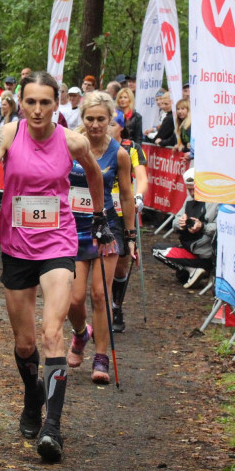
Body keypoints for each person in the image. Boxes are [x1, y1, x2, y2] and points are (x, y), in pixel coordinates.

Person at [0, 71, 110, 463]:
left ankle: (53, 428)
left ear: (56, 105)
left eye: (44, 103)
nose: (36, 110)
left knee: (52, 334)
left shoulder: (72, 140)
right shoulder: (8, 134)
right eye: (30, 102)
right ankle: (33, 398)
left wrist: (99, 216)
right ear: (21, 102)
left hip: (58, 241)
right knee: (25, 343)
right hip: (15, 243)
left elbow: (95, 174)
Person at [65, 92, 136, 385]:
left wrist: (130, 236)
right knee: (74, 297)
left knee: (100, 294)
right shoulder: (70, 147)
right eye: (90, 119)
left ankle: (102, 356)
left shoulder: (118, 153)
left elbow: (128, 196)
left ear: (111, 120)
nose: (95, 125)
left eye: (101, 120)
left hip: (105, 227)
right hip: (72, 228)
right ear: (83, 119)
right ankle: (81, 334)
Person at [108, 119, 148, 332]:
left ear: (121, 127)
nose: (107, 127)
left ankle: (116, 305)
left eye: (113, 123)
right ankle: (99, 308)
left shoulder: (131, 148)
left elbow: (141, 177)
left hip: (123, 209)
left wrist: (139, 195)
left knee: (122, 263)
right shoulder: (90, 143)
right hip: (98, 207)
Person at [152, 168, 217, 289]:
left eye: (194, 189)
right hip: (190, 247)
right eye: (189, 189)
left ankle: (196, 269)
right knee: (180, 275)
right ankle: (192, 270)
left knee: (158, 251)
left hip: (205, 253)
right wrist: (180, 223)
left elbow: (221, 228)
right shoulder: (189, 199)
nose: (192, 193)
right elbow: (176, 220)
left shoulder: (215, 201)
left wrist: (202, 227)